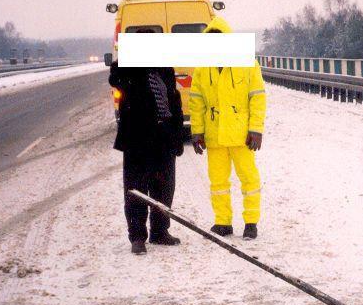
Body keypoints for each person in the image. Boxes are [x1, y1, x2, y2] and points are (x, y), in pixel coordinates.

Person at [189, 16, 267, 240]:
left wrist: (256, 129)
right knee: (218, 182)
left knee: (249, 180)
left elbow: (257, 98)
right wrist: (197, 132)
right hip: (215, 136)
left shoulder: (247, 63)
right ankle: (223, 222)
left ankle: (251, 222)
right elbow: (196, 102)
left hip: (243, 135)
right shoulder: (203, 68)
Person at [109, 53, 187, 255]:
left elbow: (174, 102)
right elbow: (114, 77)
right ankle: (137, 237)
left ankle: (160, 231)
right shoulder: (128, 71)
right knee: (137, 190)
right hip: (137, 142)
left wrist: (177, 137)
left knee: (164, 189)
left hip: (164, 140)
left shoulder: (165, 69)